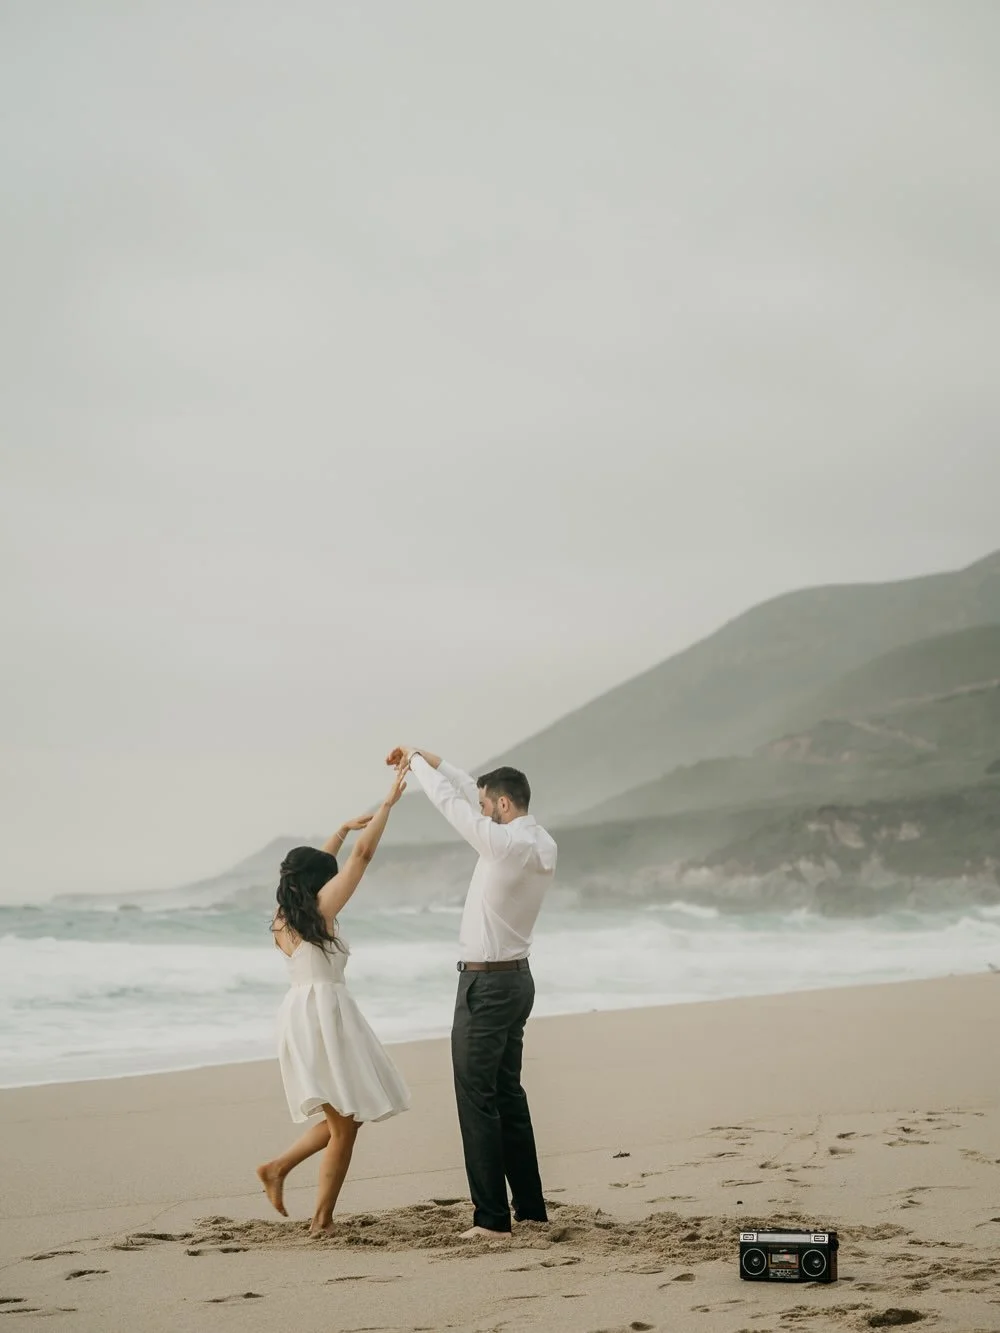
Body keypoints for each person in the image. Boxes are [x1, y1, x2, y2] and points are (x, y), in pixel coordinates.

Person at [387, 746, 557, 1240]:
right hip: (518, 980)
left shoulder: (502, 846)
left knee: (477, 1098)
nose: (481, 811)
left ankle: (491, 1221)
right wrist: (427, 756)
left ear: (503, 806)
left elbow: (452, 804)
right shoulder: (539, 842)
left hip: (486, 985)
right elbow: (467, 789)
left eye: (487, 806)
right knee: (508, 1094)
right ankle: (529, 1209)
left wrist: (414, 767)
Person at [256, 767, 411, 1236]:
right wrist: (387, 805)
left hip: (303, 1014)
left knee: (345, 1117)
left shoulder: (286, 915)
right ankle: (321, 1221)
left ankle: (277, 1168)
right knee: (344, 1124)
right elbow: (362, 858)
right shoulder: (320, 913)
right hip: (325, 1015)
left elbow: (324, 863)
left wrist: (339, 831)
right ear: (317, 885)